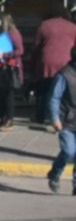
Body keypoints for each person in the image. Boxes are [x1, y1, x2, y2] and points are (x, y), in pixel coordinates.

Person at [32, 6, 76, 124]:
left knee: (42, 91)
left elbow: (36, 47)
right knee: (62, 92)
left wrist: (34, 63)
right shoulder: (73, 27)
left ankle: (40, 117)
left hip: (47, 62)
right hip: (66, 63)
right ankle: (59, 117)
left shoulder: (44, 25)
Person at [46, 46, 76, 195]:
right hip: (67, 121)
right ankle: (55, 174)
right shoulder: (64, 75)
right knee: (69, 151)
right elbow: (54, 98)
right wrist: (55, 118)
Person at [0, 12, 23, 131]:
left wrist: (6, 54)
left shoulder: (13, 33)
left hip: (8, 67)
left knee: (8, 95)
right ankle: (1, 116)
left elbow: (20, 50)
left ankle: (9, 119)